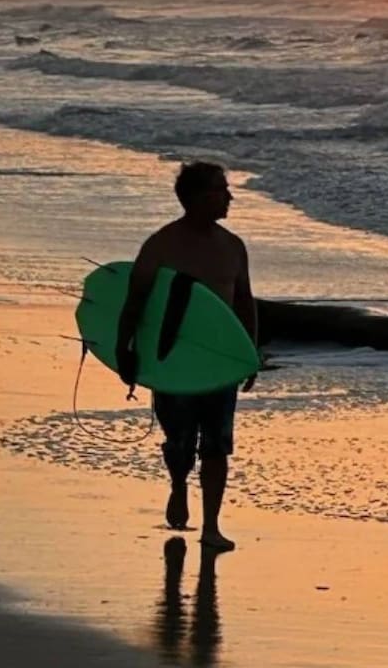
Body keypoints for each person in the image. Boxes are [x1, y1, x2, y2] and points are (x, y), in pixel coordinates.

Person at [116, 161, 258, 552]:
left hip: (220, 361)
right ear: (196, 198)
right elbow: (135, 301)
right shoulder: (162, 245)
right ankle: (179, 483)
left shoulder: (233, 246)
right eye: (220, 190)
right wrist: (124, 350)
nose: (229, 197)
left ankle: (211, 526)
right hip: (173, 359)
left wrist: (250, 353)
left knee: (217, 444)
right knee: (180, 442)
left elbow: (244, 302)